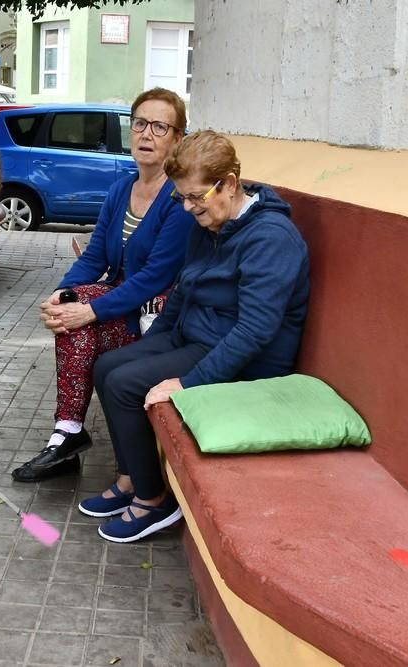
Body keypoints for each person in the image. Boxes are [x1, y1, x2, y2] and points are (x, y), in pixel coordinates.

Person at [80, 130, 310, 543]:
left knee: (125, 384)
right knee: (107, 365)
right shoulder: (210, 224)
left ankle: (154, 502)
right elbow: (185, 290)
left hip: (246, 357)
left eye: (195, 197)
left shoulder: (271, 238)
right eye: (181, 198)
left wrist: (188, 383)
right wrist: (154, 342)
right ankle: (133, 477)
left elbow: (256, 330)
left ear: (231, 184)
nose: (187, 208)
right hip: (198, 336)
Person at [11, 88, 196, 482]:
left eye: (160, 127)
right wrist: (61, 294)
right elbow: (95, 257)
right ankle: (67, 432)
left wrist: (89, 308)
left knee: (80, 319)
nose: (146, 134)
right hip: (120, 304)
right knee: (70, 312)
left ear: (178, 139)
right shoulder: (120, 190)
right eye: (140, 124)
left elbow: (155, 277)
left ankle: (69, 434)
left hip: (155, 314)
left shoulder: (177, 200)